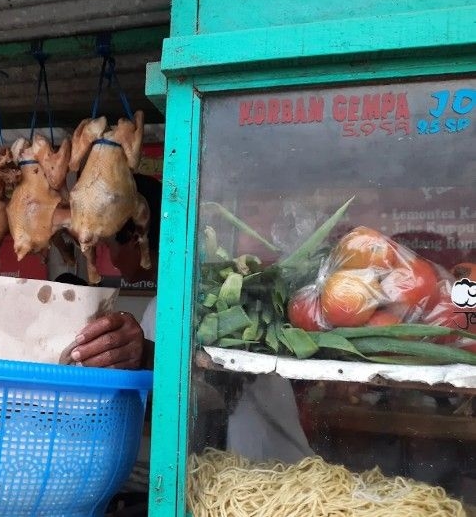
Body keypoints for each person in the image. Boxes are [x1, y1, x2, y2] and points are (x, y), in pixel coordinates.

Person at [66, 173, 314, 465]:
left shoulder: (193, 302)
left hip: (266, 469)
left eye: (109, 246)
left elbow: (214, 389)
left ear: (136, 237)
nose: (110, 258)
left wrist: (145, 354)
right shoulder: (172, 301)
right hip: (254, 467)